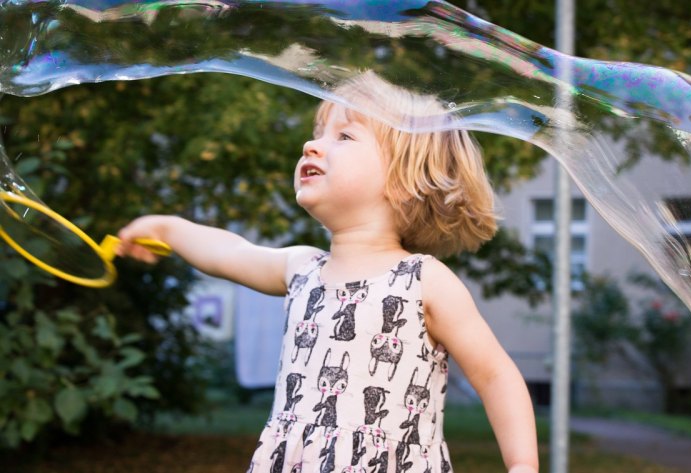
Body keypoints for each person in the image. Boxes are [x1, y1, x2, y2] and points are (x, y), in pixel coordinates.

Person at [117, 71, 539, 473]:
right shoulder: (301, 269)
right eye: (318, 133)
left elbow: (494, 374)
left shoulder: (424, 281)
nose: (311, 145)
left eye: (344, 136)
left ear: (405, 180)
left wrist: (522, 463)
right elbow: (230, 252)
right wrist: (168, 229)